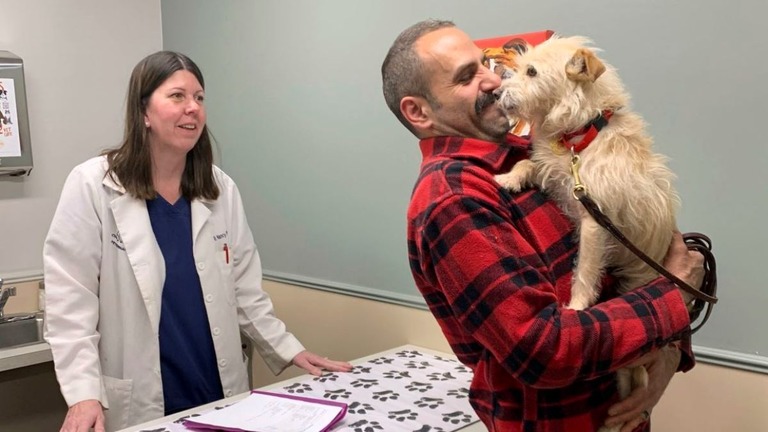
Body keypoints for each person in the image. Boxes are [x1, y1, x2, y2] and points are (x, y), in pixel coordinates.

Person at [381, 20, 704, 432]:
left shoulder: (542, 152)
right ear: (418, 111)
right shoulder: (455, 200)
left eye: (485, 64)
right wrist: (673, 300)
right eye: (466, 77)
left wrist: (669, 352)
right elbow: (545, 349)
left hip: (620, 414)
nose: (495, 81)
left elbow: (648, 250)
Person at [43, 51, 352, 432]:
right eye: (177, 96)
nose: (193, 109)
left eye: (199, 98)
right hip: (142, 398)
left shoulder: (219, 188)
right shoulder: (94, 185)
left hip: (216, 388)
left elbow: (245, 291)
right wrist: (83, 394)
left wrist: (291, 349)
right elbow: (70, 304)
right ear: (143, 112)